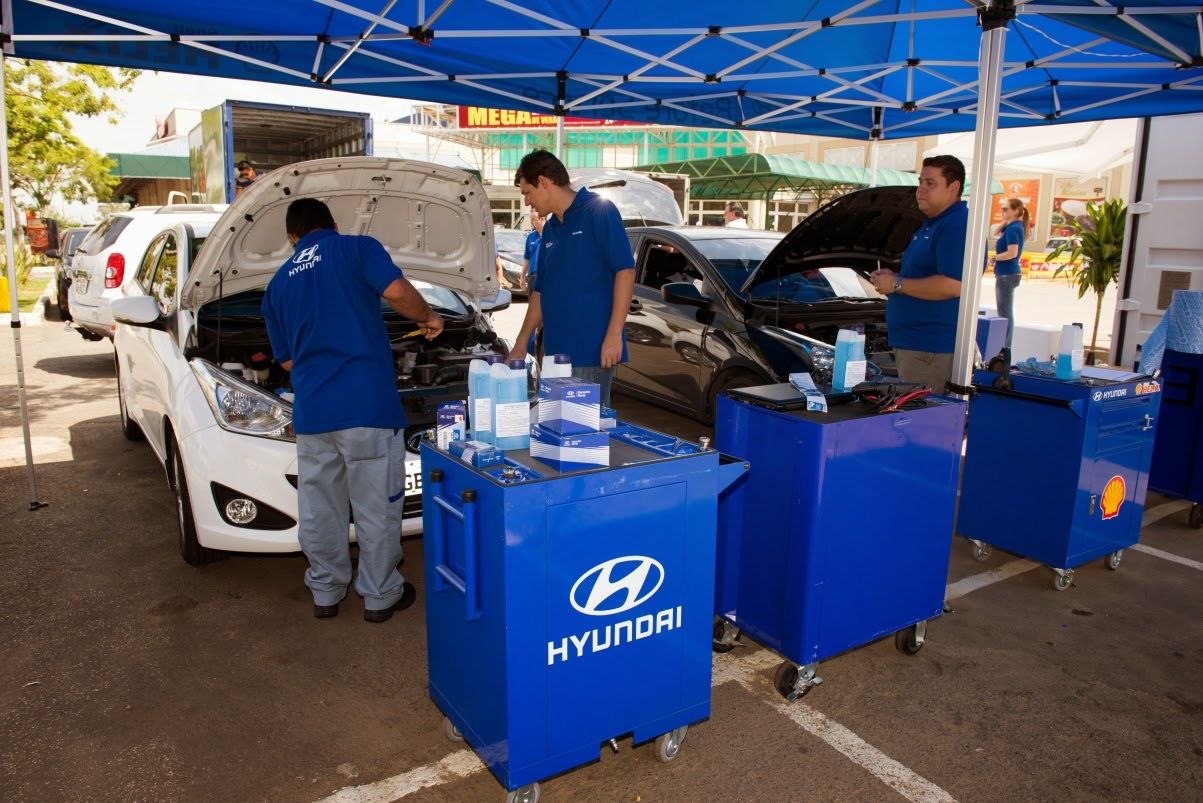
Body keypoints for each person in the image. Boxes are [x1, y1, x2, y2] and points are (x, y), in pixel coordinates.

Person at [262, 198, 444, 622]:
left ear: (292, 237)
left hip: (313, 414)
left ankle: (325, 591)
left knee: (320, 509)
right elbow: (396, 291)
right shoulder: (356, 248)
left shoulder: (277, 284)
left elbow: (286, 362)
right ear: (334, 225)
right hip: (366, 407)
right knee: (375, 505)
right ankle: (380, 596)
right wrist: (429, 316)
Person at [505, 150, 635, 406]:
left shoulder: (598, 210)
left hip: (590, 352)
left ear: (543, 182)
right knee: (555, 427)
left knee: (586, 428)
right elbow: (541, 291)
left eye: (527, 192)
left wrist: (613, 336)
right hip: (554, 356)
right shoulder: (550, 229)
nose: (527, 202)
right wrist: (521, 343)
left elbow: (625, 272)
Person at [869, 155, 968, 391]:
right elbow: (924, 275)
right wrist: (893, 279)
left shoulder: (956, 225)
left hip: (929, 349)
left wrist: (897, 284)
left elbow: (953, 285)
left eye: (930, 183)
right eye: (920, 182)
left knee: (924, 413)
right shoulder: (933, 223)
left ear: (953, 187)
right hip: (917, 347)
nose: (921, 189)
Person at [988, 197, 1029, 350]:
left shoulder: (1013, 229)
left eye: (1005, 209)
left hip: (1007, 273)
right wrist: (1006, 220)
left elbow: (1012, 253)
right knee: (1004, 311)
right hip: (1007, 273)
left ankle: (1005, 347)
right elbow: (995, 232)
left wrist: (994, 258)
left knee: (1005, 312)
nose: (1002, 211)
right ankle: (1004, 346)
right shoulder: (1012, 227)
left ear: (1016, 211)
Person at [521, 209, 545, 292]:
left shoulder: (550, 235)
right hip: (532, 279)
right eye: (530, 219)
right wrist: (522, 277)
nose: (531, 222)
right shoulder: (530, 236)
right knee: (531, 300)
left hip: (546, 279)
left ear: (542, 219)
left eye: (533, 219)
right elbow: (526, 258)